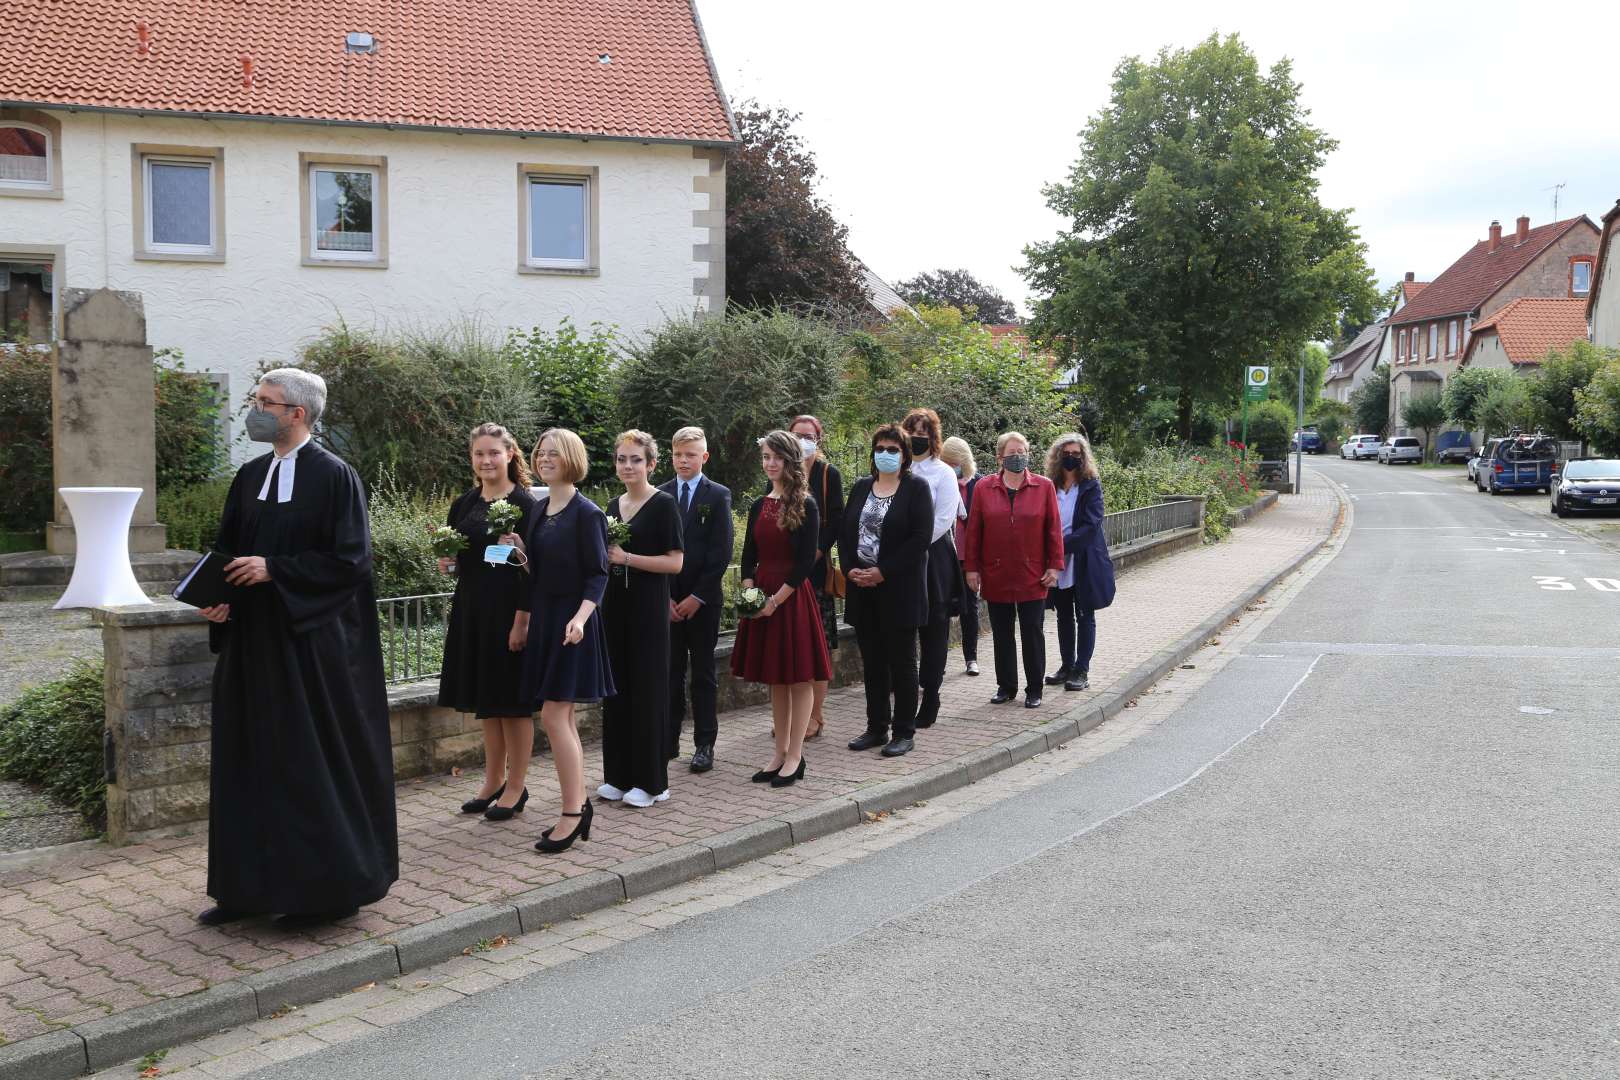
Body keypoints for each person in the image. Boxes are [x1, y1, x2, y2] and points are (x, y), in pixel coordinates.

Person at [195, 368, 397, 927]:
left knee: (303, 764)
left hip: (308, 648)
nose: (255, 410)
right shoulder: (250, 474)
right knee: (246, 760)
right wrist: (218, 599)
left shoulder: (335, 477)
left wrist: (275, 570)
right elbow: (227, 551)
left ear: (297, 414)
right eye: (256, 400)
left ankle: (323, 894)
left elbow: (350, 562)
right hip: (252, 644)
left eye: (265, 402)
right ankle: (243, 890)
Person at [509, 429, 614, 853]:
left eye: (554, 453)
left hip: (573, 622)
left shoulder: (586, 512)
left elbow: (598, 573)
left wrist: (581, 618)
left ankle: (573, 811)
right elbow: (537, 571)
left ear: (571, 458)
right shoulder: (536, 509)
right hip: (547, 619)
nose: (545, 458)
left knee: (555, 716)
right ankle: (577, 806)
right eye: (540, 453)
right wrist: (518, 550)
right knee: (558, 717)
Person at [437, 424, 540, 821]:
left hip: (510, 612)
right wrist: (448, 565)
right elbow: (464, 561)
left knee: (513, 705)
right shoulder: (463, 503)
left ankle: (517, 786)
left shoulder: (527, 505)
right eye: (479, 454)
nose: (486, 460)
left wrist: (523, 621)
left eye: (494, 453)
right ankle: (493, 779)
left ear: (510, 454)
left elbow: (535, 570)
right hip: (473, 611)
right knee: (489, 702)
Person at [731, 430, 831, 787]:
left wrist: (774, 602)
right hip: (763, 594)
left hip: (791, 597)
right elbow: (747, 558)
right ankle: (778, 753)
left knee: (799, 677)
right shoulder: (759, 504)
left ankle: (795, 757)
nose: (769, 464)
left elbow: (805, 562)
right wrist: (750, 596)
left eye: (776, 457)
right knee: (776, 678)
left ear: (790, 460)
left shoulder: (807, 503)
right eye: (765, 457)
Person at [599, 431, 684, 808]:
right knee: (616, 692)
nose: (627, 466)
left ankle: (652, 783)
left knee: (648, 692)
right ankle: (618, 776)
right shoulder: (610, 506)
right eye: (622, 459)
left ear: (651, 464)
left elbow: (675, 562)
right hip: (614, 607)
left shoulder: (664, 505)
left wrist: (628, 559)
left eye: (635, 459)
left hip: (649, 607)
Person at [838, 424, 933, 757]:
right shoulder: (862, 486)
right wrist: (850, 568)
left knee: (903, 662)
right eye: (881, 448)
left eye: (893, 449)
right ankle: (876, 727)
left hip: (899, 589)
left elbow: (920, 539)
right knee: (873, 662)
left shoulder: (916, 488)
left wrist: (882, 571)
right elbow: (845, 532)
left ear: (905, 455)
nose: (886, 455)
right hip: (863, 590)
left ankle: (904, 731)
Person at [961, 432, 1064, 709]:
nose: (1018, 456)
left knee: (1032, 631)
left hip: (1033, 572)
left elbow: (1053, 529)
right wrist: (972, 569)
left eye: (1023, 451)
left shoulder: (1043, 487)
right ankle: (1006, 686)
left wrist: (1055, 566)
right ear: (1000, 457)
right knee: (1001, 633)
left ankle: (1034, 689)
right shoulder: (984, 487)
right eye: (1013, 452)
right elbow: (974, 532)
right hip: (996, 572)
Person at [660, 427, 733, 773]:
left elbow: (721, 552)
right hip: (668, 603)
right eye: (678, 455)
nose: (683, 460)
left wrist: (697, 596)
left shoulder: (717, 495)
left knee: (703, 674)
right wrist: (667, 599)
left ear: (704, 457)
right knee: (669, 673)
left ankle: (705, 744)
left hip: (703, 602)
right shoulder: (659, 495)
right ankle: (668, 739)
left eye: (690, 455)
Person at [899, 408, 962, 729]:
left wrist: (913, 546)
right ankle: (907, 695)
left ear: (933, 437)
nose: (918, 437)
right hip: (902, 561)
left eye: (924, 432)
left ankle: (932, 694)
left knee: (934, 630)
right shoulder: (899, 470)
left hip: (933, 558)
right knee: (905, 628)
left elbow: (943, 519)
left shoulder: (943, 473)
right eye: (912, 432)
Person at [1044, 433, 1115, 692]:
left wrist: (1059, 546)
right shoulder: (1049, 484)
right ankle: (1066, 665)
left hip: (1083, 559)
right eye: (1066, 453)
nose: (1071, 458)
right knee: (1063, 615)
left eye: (1076, 454)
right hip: (1056, 562)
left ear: (1083, 458)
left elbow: (1091, 525)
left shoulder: (1090, 485)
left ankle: (1081, 670)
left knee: (1085, 614)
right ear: (1057, 456)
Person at [787, 414, 843, 739]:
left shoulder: (827, 474)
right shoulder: (781, 471)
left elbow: (836, 520)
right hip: (787, 572)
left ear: (818, 440)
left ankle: (815, 714)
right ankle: (792, 713)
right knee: (791, 645)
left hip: (816, 571)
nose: (803, 440)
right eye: (797, 434)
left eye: (809, 436)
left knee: (818, 645)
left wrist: (815, 553)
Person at [939, 436, 982, 677]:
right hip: (946, 555)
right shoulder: (937, 480)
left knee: (969, 608)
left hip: (969, 557)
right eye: (947, 461)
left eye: (955, 462)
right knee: (941, 610)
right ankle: (939, 661)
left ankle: (971, 658)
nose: (952, 466)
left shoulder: (976, 485)